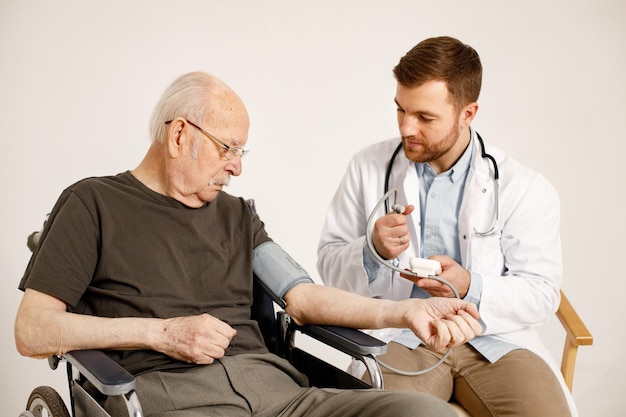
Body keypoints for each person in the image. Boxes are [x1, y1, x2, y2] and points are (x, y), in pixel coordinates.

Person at [14, 71, 483, 417]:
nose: (237, 168)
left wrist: (404, 313)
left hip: (281, 395)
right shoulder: (92, 203)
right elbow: (33, 331)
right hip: (168, 399)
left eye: (241, 152)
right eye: (228, 149)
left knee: (429, 414)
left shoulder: (238, 216)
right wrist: (162, 333)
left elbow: (303, 297)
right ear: (180, 134)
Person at [317, 36, 577, 417]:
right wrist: (371, 250)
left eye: (425, 117)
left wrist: (470, 285)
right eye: (400, 110)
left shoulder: (524, 188)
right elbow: (328, 267)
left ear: (468, 113)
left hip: (493, 340)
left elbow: (541, 292)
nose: (407, 127)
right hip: (404, 336)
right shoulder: (367, 167)